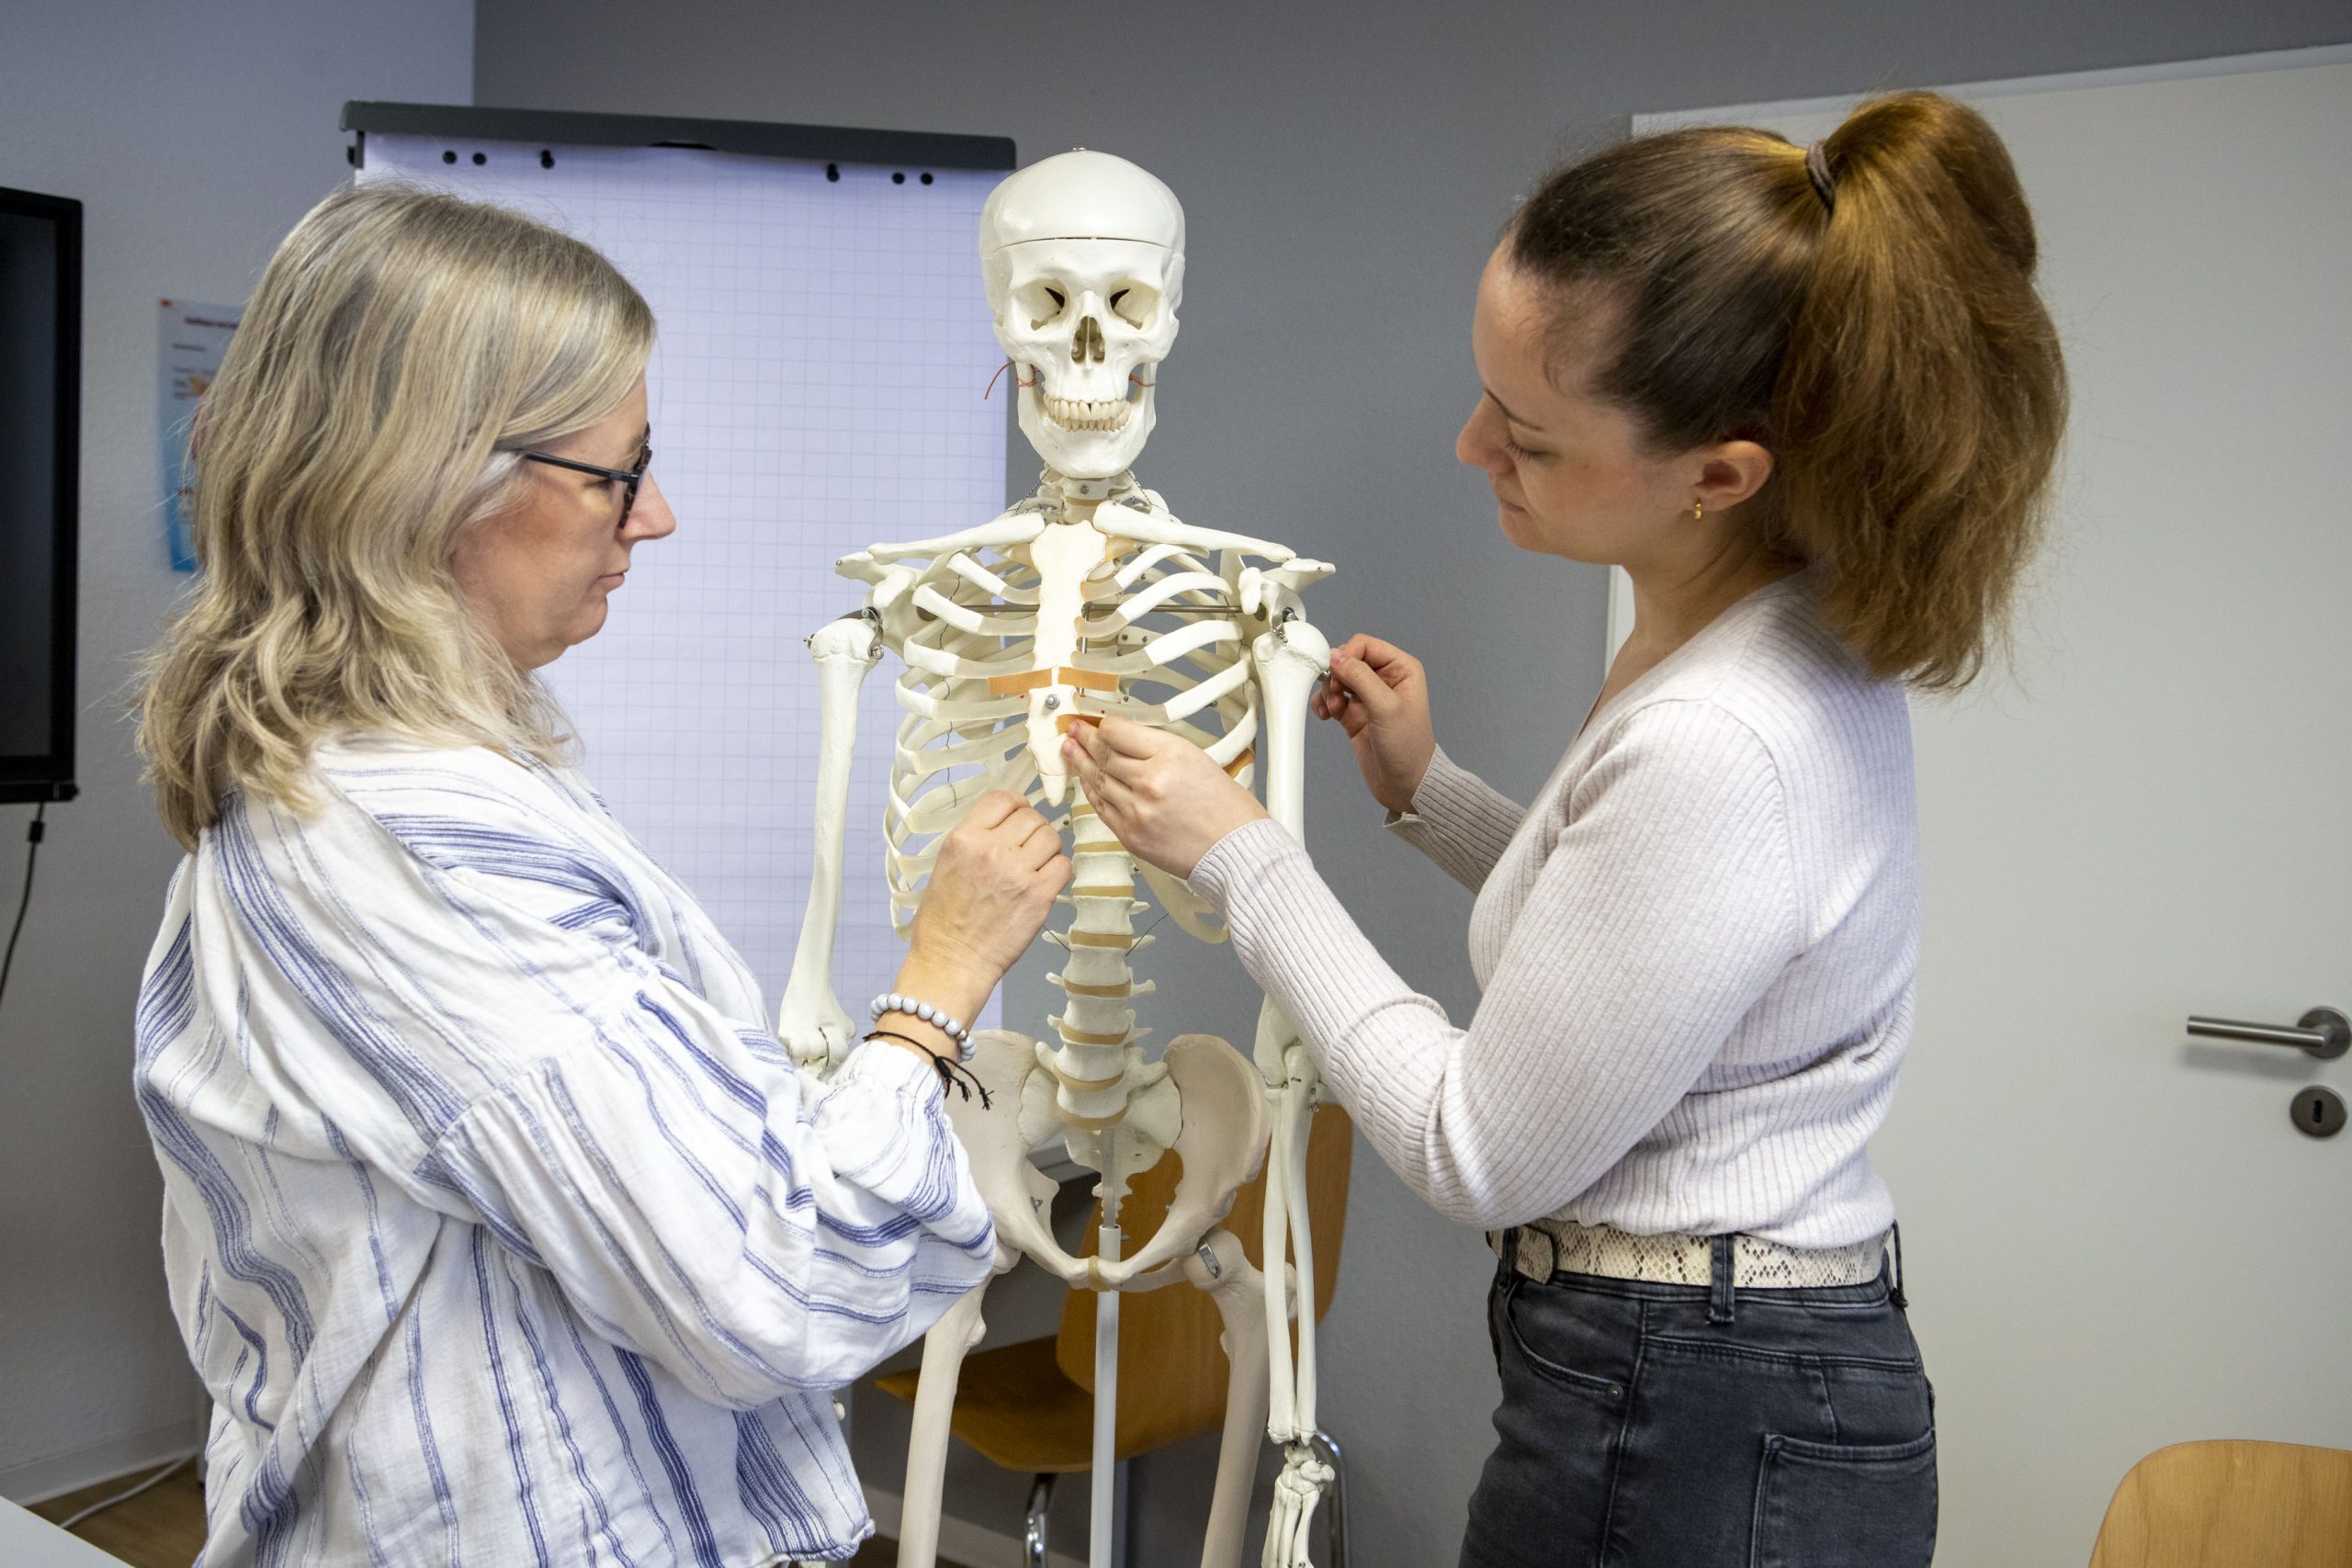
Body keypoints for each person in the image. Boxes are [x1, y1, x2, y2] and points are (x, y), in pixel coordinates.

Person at [1061, 91, 2064, 1566]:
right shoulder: (1750, 633)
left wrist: (1242, 857)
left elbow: (1477, 1146)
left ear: (1721, 475)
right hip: (1717, 1371)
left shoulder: (1726, 733)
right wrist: (1433, 796)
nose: (1473, 447)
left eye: (1527, 432)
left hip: (1698, 1408)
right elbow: (1664, 950)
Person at [131, 182, 1069, 1565]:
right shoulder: (411, 848)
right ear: (432, 478)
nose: (657, 518)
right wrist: (937, 988)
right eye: (619, 472)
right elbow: (771, 1287)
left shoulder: (359, 785)